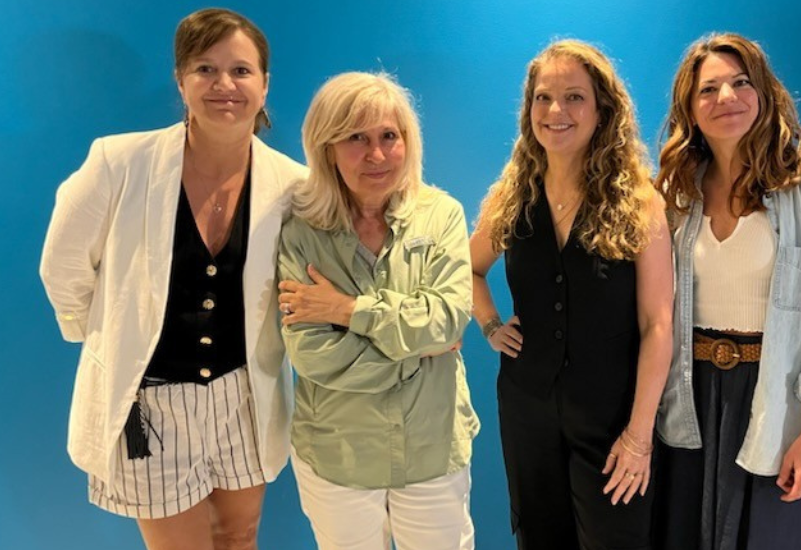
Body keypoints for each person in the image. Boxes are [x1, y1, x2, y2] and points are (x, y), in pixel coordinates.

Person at [39, 9, 305, 550]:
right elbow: (62, 266)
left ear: (264, 84)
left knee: (240, 534)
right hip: (152, 401)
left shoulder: (291, 183)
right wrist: (105, 336)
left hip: (244, 395)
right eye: (205, 69)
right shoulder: (120, 161)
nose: (224, 85)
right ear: (180, 80)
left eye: (241, 70)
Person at [651, 33, 801, 550]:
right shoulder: (675, 193)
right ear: (689, 109)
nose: (727, 98)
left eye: (741, 82)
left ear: (764, 93)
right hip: (690, 400)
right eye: (709, 89)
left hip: (780, 400)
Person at [469, 40, 673, 550]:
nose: (556, 111)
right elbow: (467, 270)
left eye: (574, 97)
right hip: (527, 414)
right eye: (543, 98)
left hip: (613, 426)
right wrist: (490, 324)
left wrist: (639, 436)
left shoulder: (640, 202)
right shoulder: (511, 197)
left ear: (603, 110)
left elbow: (658, 325)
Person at [276, 71, 479, 550]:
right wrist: (418, 354)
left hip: (432, 449)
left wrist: (349, 311)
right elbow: (312, 354)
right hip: (338, 454)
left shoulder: (441, 214)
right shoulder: (302, 232)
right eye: (356, 138)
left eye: (390, 136)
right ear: (327, 147)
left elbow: (448, 320)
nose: (377, 154)